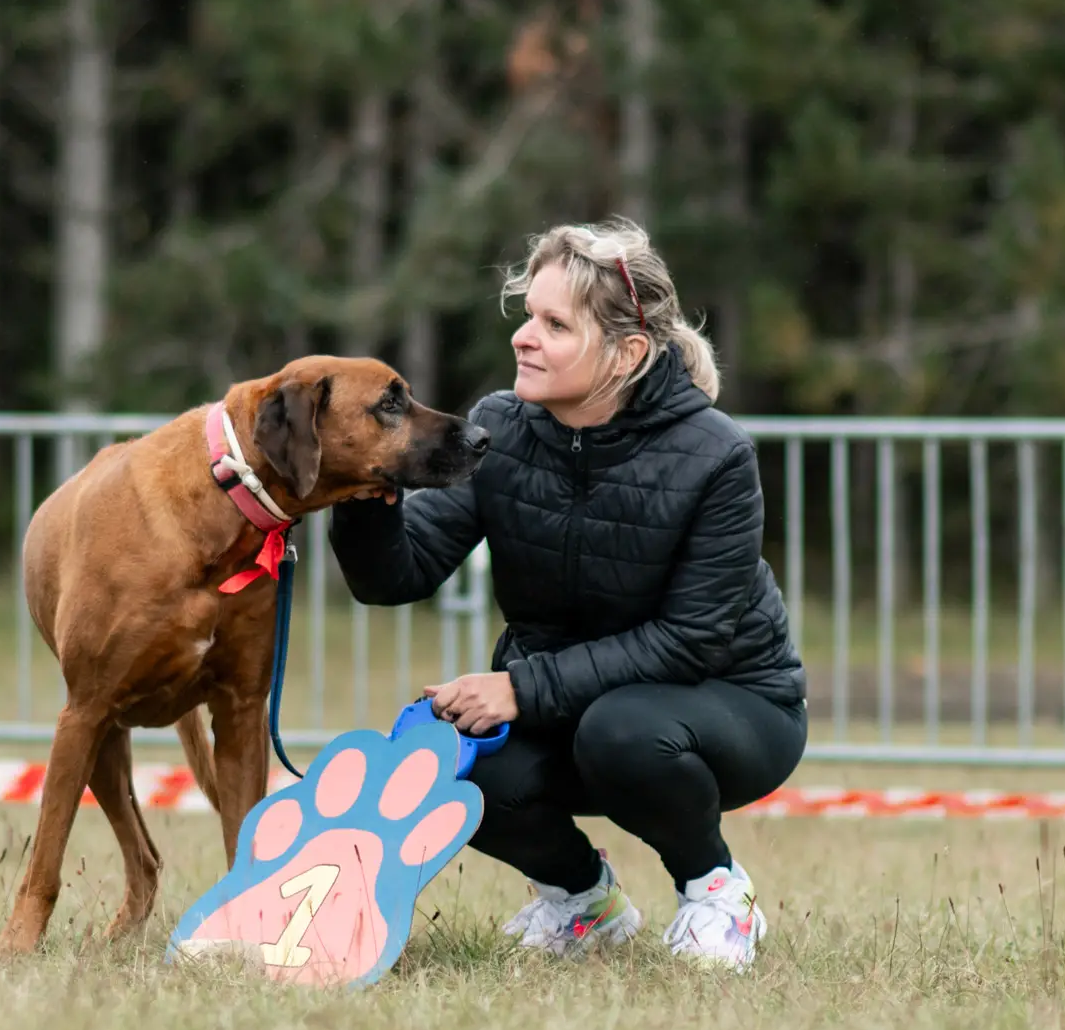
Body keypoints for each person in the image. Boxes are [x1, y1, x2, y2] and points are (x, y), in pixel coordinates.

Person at [330, 219, 807, 970]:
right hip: (569, 704)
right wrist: (363, 481)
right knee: (445, 749)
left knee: (619, 730)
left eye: (555, 324)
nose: (525, 336)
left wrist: (519, 687)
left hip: (732, 702)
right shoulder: (498, 426)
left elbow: (692, 639)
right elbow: (396, 575)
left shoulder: (717, 454)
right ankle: (585, 902)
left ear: (628, 353)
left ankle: (716, 891)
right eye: (529, 316)